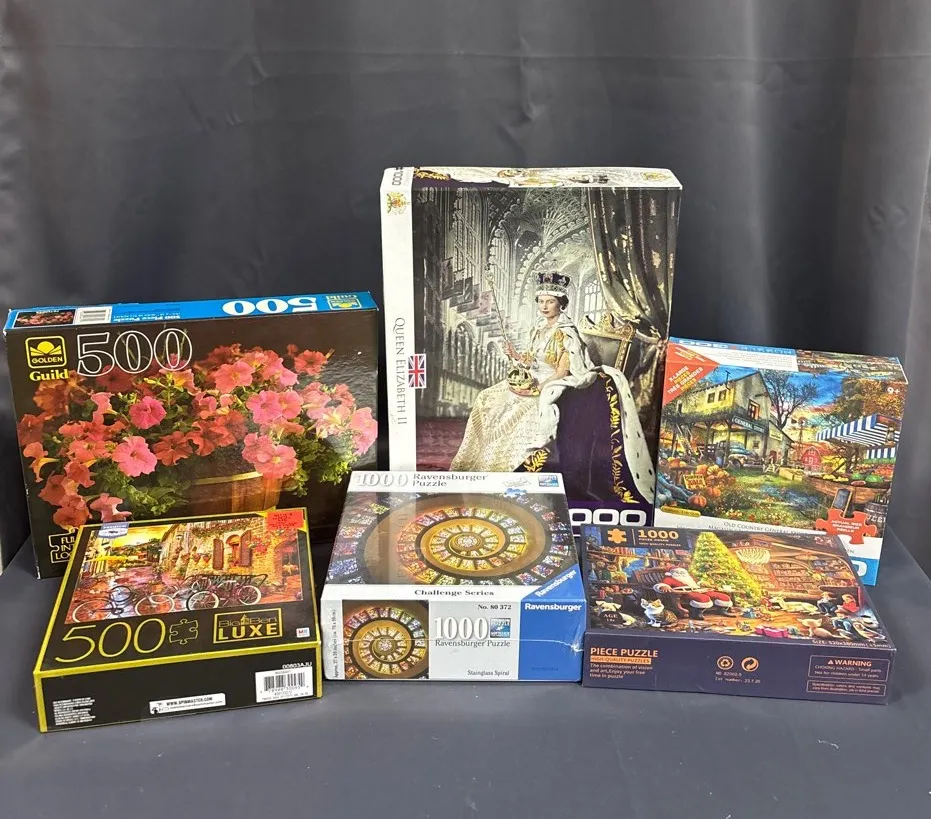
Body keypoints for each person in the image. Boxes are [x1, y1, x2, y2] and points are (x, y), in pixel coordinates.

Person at [450, 271, 655, 504]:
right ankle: (478, 463)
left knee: (518, 409)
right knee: (487, 397)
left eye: (550, 302)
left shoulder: (566, 334)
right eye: (541, 301)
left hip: (552, 383)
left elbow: (561, 372)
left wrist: (536, 389)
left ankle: (507, 471)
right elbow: (531, 360)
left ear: (561, 303)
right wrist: (515, 355)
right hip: (532, 379)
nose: (544, 306)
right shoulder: (539, 329)